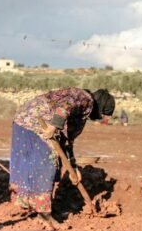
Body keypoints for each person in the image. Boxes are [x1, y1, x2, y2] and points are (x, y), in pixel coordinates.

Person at [9, 87, 115, 221]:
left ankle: (31, 205)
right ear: (99, 106)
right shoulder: (85, 98)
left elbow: (67, 141)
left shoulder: (81, 112)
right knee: (47, 166)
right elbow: (65, 105)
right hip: (37, 123)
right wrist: (54, 126)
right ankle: (43, 214)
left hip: (22, 121)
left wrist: (73, 168)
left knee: (31, 164)